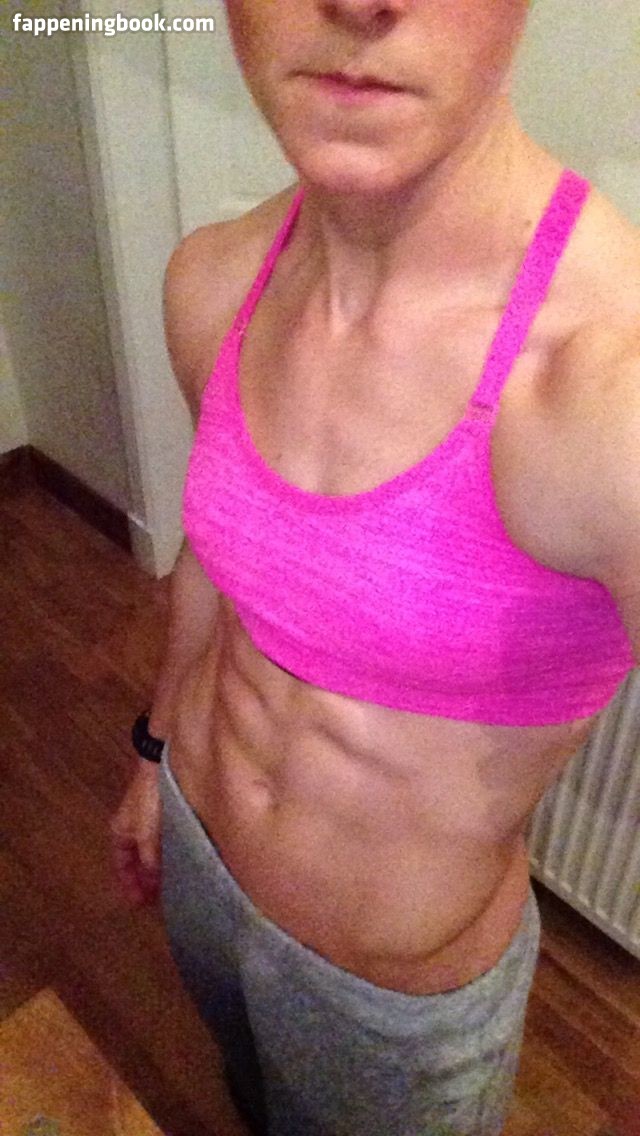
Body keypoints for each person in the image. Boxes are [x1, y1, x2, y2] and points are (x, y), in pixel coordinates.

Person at [110, 2, 640, 1133]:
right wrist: (153, 754)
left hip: (383, 1001)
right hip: (200, 864)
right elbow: (219, 563)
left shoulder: (610, 387)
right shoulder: (213, 278)